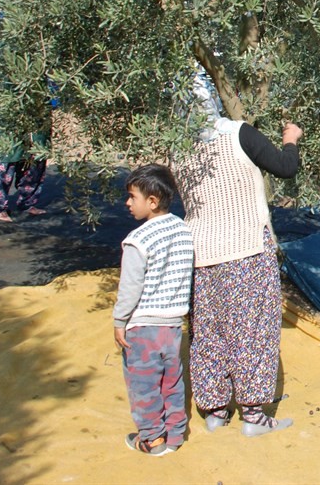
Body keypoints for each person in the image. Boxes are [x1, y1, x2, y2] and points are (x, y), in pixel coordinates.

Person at [174, 71, 302, 436]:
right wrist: (291, 139)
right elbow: (285, 168)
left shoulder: (177, 146)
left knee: (208, 330)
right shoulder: (237, 133)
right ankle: (253, 417)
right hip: (246, 246)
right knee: (253, 329)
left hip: (201, 251)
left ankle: (214, 411)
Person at [112, 163, 195, 456]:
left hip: (143, 329)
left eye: (132, 197)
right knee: (172, 381)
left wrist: (119, 320)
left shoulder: (138, 240)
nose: (127, 203)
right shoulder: (184, 230)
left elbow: (130, 288)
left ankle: (152, 439)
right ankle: (175, 434)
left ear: (152, 201)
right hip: (172, 327)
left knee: (144, 386)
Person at [0, 116, 51, 223]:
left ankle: (27, 204)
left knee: (33, 171)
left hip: (35, 130)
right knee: (0, 172)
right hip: (5, 131)